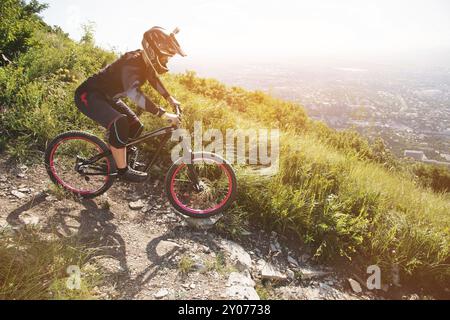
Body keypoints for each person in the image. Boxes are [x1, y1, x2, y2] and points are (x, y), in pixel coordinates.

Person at [74, 27, 186, 182]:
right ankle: (122, 170)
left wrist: (170, 98)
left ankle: (116, 159)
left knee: (135, 125)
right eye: (166, 57)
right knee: (119, 122)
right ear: (154, 51)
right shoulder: (132, 62)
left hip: (108, 97)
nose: (166, 61)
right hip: (88, 95)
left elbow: (153, 78)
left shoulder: (145, 61)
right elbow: (134, 94)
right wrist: (163, 114)